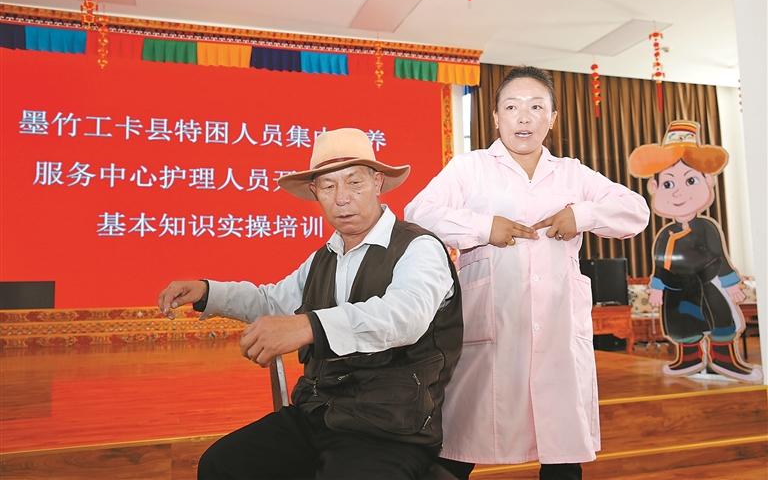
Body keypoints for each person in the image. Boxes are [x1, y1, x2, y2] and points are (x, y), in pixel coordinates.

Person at [158, 128, 463, 480]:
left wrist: (309, 326)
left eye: (354, 183)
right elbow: (273, 301)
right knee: (222, 464)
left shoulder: (419, 247)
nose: (342, 198)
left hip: (391, 428)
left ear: (377, 182)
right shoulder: (324, 257)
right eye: (329, 187)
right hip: (320, 414)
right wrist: (207, 292)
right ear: (315, 192)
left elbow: (404, 317)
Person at [404, 66, 650, 480]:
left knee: (561, 451)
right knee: (461, 444)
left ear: (552, 119)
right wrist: (484, 227)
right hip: (491, 326)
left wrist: (581, 215)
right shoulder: (470, 168)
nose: (524, 117)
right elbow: (418, 214)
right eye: (512, 107)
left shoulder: (572, 173)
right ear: (495, 117)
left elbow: (635, 212)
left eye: (537, 107)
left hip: (556, 328)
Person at [628, 120, 761, 382]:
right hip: (676, 291)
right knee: (683, 325)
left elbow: (720, 257)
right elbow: (660, 264)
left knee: (720, 321)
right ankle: (689, 358)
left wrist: (730, 283)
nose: (679, 192)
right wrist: (657, 288)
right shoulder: (664, 234)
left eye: (690, 180)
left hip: (708, 285)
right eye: (668, 184)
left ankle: (725, 359)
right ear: (654, 188)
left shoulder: (707, 227)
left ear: (708, 181)